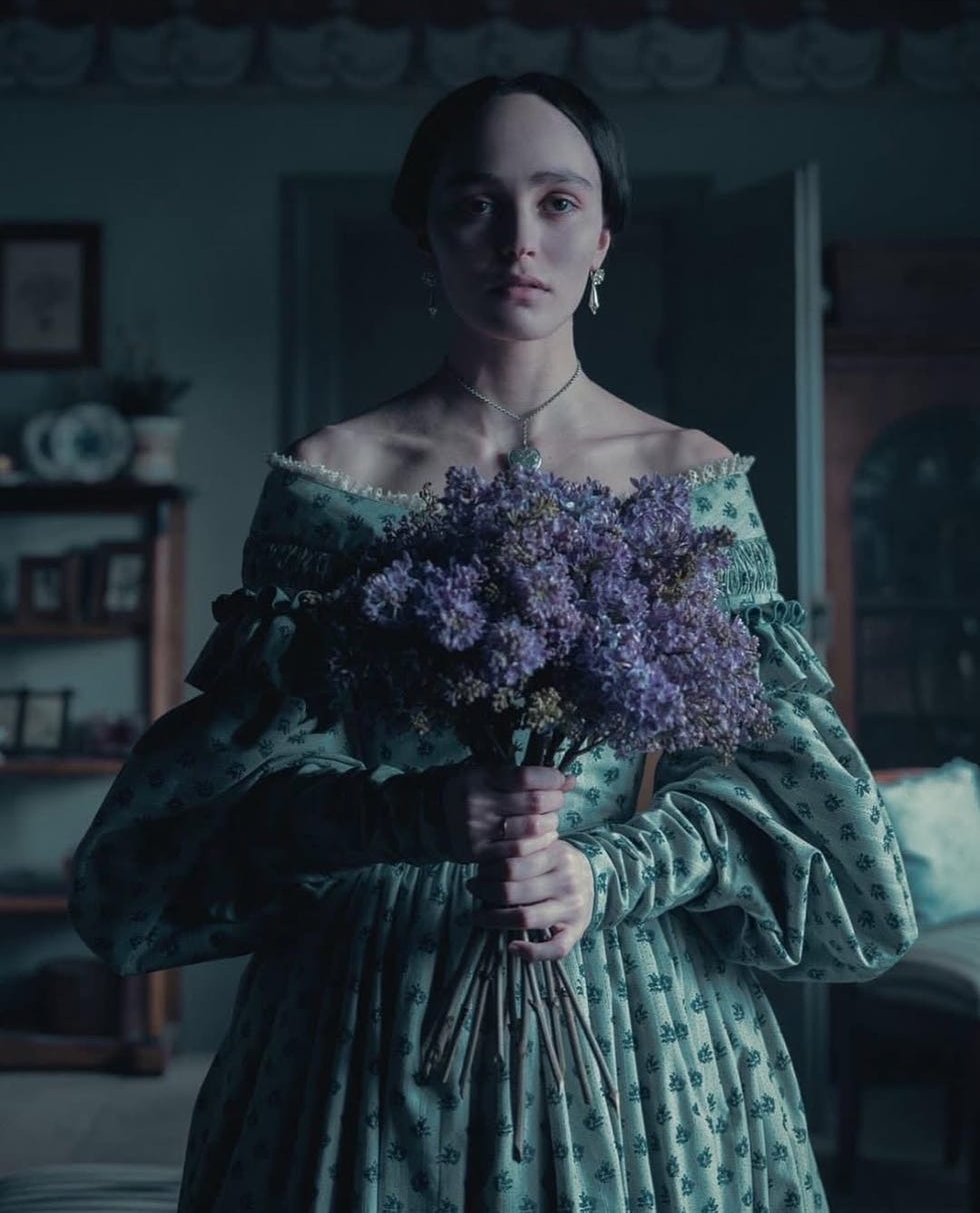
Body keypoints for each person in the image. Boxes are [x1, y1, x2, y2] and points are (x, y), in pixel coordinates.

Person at [69, 72, 917, 1212]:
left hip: (634, 997)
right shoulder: (334, 480)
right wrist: (407, 815)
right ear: (426, 236)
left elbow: (776, 792)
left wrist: (602, 870)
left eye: (557, 200)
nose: (518, 237)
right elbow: (230, 791)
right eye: (475, 202)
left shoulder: (690, 479)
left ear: (603, 235)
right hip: (371, 1007)